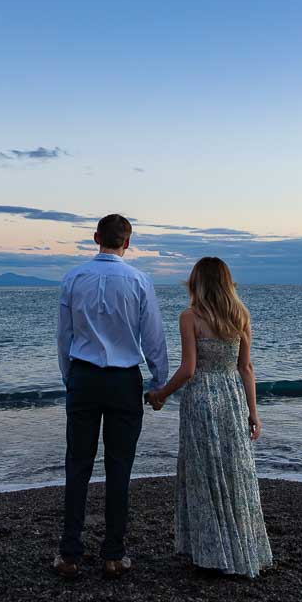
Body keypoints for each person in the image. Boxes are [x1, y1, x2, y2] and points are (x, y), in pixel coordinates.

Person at [54, 214, 169, 579]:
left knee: (78, 466)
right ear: (128, 242)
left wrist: (70, 376)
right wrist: (159, 382)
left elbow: (64, 336)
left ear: (96, 238)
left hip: (84, 378)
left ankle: (70, 554)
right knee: (119, 468)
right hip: (123, 382)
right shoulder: (139, 280)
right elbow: (153, 336)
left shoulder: (73, 278)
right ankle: (113, 555)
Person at [147, 257, 273, 577]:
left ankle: (210, 550)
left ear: (196, 282)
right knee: (234, 472)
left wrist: (161, 394)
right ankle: (240, 547)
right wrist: (253, 412)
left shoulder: (190, 317)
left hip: (202, 399)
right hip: (231, 398)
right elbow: (246, 368)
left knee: (204, 472)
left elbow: (189, 370)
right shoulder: (240, 315)